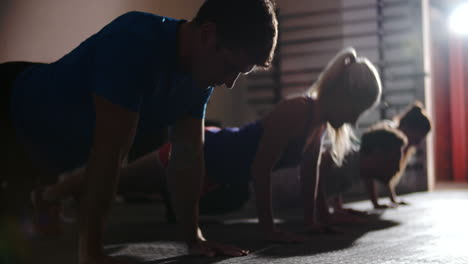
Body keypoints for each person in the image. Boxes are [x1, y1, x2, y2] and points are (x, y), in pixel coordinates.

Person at [2, 0, 278, 263]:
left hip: (43, 154)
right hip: (11, 113)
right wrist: (93, 252)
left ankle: (40, 198)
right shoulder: (135, 40)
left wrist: (194, 237)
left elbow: (188, 157)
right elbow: (109, 153)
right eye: (231, 67)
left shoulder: (198, 80)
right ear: (207, 34)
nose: (230, 83)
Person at [93, 47, 382, 242]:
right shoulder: (298, 110)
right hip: (206, 150)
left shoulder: (318, 127)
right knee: (115, 181)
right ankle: (54, 192)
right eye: (357, 111)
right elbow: (261, 168)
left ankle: (64, 193)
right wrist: (267, 227)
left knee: (127, 189)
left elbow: (311, 178)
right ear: (343, 97)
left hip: (219, 177)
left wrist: (316, 219)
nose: (355, 120)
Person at [319, 102, 432, 224]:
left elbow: (339, 181)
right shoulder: (389, 137)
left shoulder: (353, 170)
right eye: (418, 138)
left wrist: (337, 209)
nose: (418, 143)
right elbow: (325, 166)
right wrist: (327, 214)